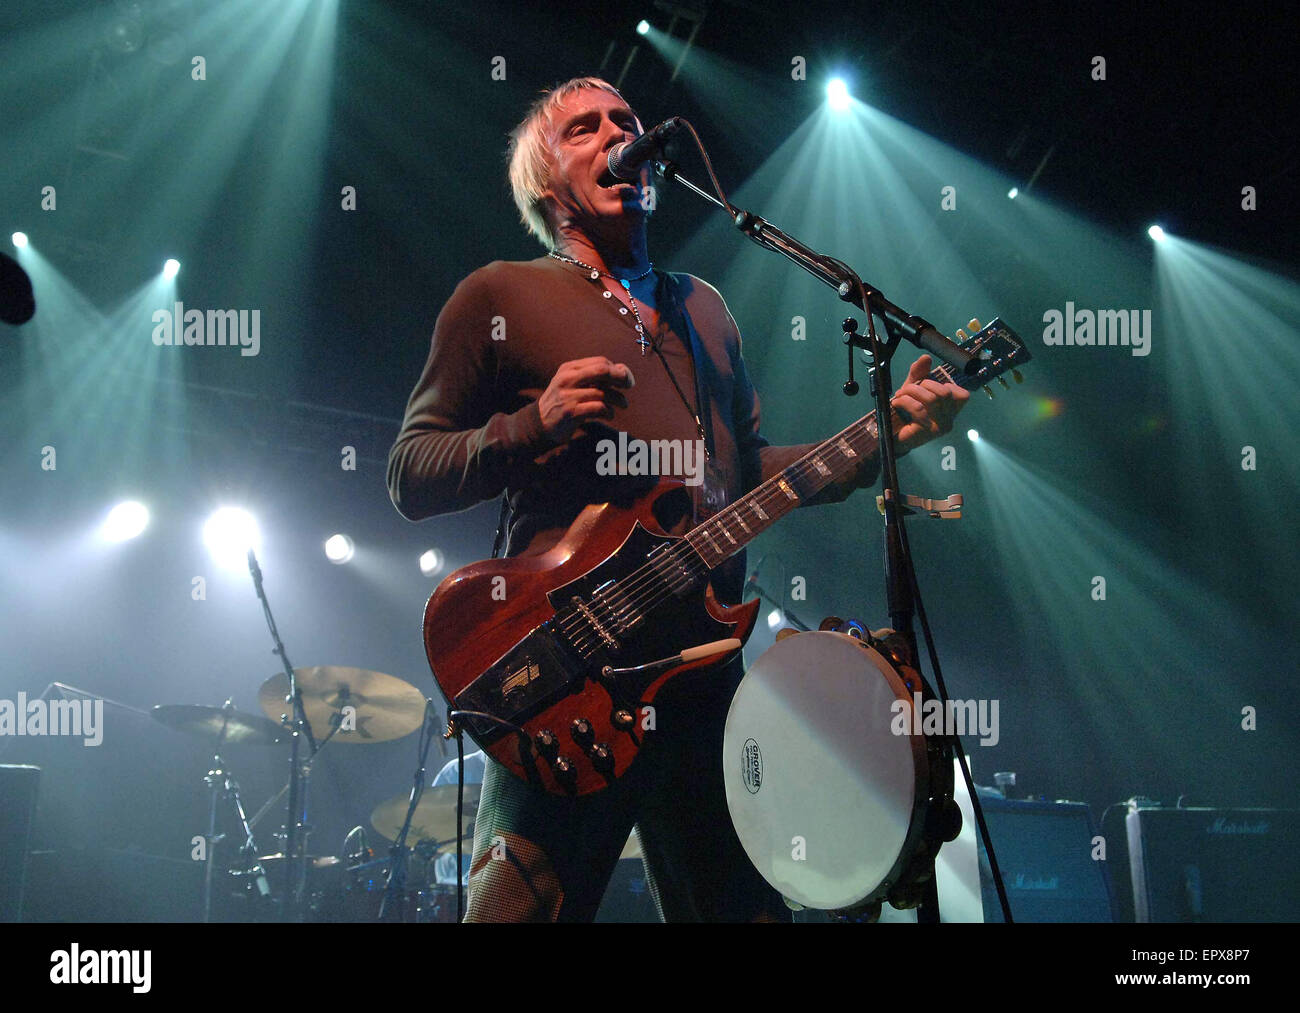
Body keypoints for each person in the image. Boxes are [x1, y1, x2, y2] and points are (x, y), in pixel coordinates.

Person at [387, 76, 970, 921]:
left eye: (625, 120)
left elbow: (750, 473)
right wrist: (532, 424)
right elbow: (410, 472)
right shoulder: (499, 295)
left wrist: (886, 438)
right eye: (584, 128)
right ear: (547, 184)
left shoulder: (707, 311)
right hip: (567, 676)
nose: (618, 134)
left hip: (701, 682)